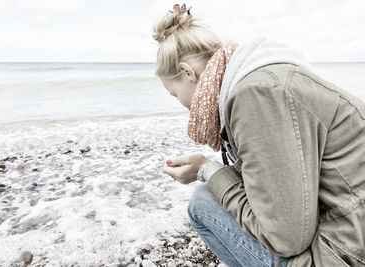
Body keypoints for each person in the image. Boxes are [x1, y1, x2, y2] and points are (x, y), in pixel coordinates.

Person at [152, 3, 365, 267]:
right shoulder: (268, 78)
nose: (182, 105)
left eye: (175, 94)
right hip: (353, 233)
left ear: (187, 73)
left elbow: (286, 239)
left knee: (202, 202)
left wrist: (208, 171)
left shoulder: (254, 96)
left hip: (345, 255)